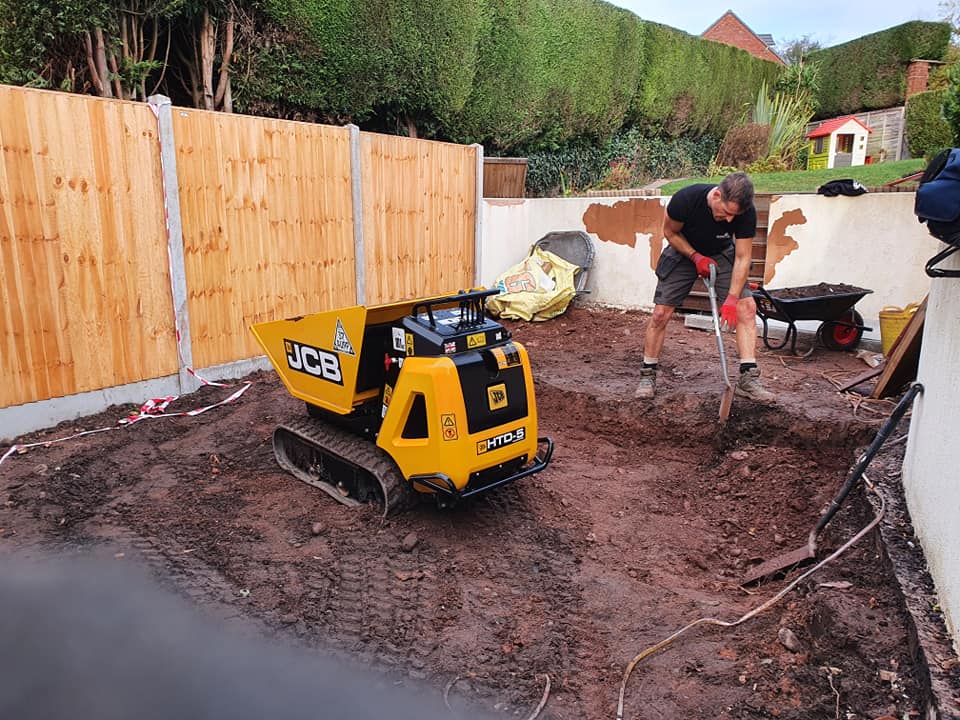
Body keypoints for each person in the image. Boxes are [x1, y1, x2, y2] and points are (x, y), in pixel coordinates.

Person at [635, 172, 774, 402]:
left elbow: (742, 257)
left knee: (746, 307)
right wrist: (695, 256)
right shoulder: (686, 200)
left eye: (735, 215)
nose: (730, 220)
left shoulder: (745, 213)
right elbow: (670, 232)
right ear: (717, 195)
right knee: (660, 314)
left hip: (721, 252)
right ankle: (648, 374)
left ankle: (748, 378)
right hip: (684, 249)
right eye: (727, 212)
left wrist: (731, 299)